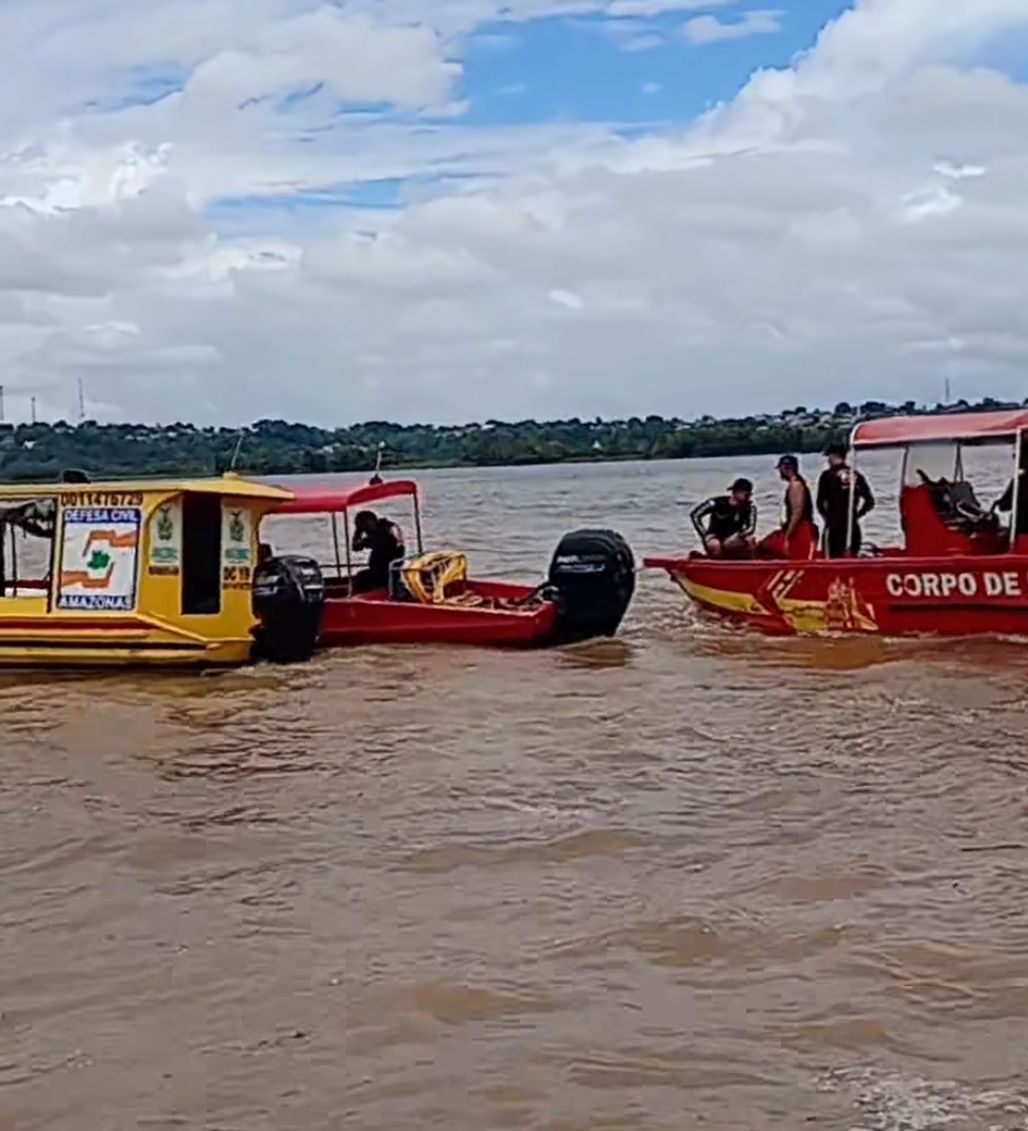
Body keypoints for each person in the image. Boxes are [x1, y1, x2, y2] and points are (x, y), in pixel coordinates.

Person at [816, 443, 875, 558]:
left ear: (834, 456)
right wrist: (856, 515)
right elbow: (869, 501)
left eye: (829, 457)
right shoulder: (856, 475)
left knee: (831, 559)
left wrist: (827, 517)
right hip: (852, 526)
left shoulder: (827, 476)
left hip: (833, 526)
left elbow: (820, 502)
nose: (828, 460)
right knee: (851, 556)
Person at [758, 455, 818, 560]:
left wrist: (787, 535)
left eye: (780, 469)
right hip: (798, 528)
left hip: (801, 530)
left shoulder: (796, 485)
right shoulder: (797, 484)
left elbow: (797, 512)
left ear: (786, 468)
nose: (779, 472)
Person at [690, 478, 757, 558]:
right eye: (746, 495)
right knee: (714, 545)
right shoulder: (716, 503)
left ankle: (746, 561)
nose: (748, 497)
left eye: (749, 495)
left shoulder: (750, 507)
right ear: (736, 492)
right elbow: (695, 515)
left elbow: (751, 528)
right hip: (715, 535)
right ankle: (716, 561)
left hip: (734, 537)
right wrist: (704, 535)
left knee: (750, 540)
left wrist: (740, 535)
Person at [351, 509, 405, 594]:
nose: (365, 531)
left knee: (361, 577)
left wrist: (359, 533)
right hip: (381, 569)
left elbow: (358, 546)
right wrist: (358, 532)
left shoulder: (383, 533)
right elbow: (356, 547)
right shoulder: (380, 531)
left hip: (385, 570)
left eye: (364, 527)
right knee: (362, 576)